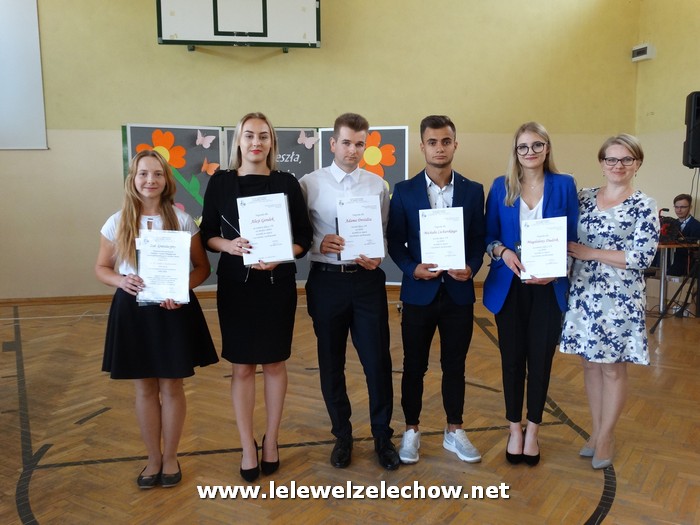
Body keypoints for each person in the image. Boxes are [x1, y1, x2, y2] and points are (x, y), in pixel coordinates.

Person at [199, 112, 312, 482]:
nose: (256, 142)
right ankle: (247, 445)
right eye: (249, 135)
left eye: (263, 136)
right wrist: (229, 246)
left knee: (275, 363)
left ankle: (271, 439)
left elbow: (304, 238)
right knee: (242, 367)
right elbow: (208, 234)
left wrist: (282, 255)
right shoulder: (221, 182)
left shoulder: (286, 182)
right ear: (239, 141)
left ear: (271, 142)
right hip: (236, 286)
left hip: (277, 286)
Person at [95, 150, 218, 489]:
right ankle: (152, 457)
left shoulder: (182, 220)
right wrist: (121, 280)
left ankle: (171, 456)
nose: (150, 180)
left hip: (172, 311)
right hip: (133, 311)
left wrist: (180, 288)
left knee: (172, 386)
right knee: (145, 388)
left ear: (166, 180)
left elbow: (202, 268)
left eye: (157, 174)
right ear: (132, 180)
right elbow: (101, 268)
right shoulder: (116, 221)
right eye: (143, 174)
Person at [299, 112, 399, 471]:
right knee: (331, 363)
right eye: (346, 142)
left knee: (377, 362)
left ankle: (382, 436)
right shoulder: (309, 184)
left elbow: (383, 233)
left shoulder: (377, 186)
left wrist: (378, 254)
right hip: (326, 281)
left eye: (359, 143)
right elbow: (299, 233)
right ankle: (342, 435)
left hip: (366, 282)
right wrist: (317, 243)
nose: (352, 150)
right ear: (333, 143)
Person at [387, 115, 486, 465]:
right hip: (419, 292)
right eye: (432, 142)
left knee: (455, 365)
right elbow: (394, 241)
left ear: (455, 144)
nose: (439, 148)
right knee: (413, 365)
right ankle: (411, 430)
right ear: (422, 146)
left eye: (445, 141)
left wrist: (472, 267)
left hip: (458, 292)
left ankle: (454, 429)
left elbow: (478, 239)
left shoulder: (473, 190)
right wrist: (410, 268)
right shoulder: (404, 190)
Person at [560, 134, 659, 469]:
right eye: (612, 159)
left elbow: (642, 257)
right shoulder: (584, 197)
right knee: (590, 364)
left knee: (612, 368)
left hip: (619, 299)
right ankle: (596, 429)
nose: (618, 165)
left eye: (626, 159)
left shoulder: (644, 204)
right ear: (601, 163)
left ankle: (607, 436)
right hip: (583, 293)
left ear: (637, 164)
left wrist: (590, 253)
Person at [483, 122, 578, 466]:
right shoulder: (501, 185)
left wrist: (558, 268)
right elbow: (488, 236)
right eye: (523, 146)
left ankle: (534, 430)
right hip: (510, 286)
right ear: (516, 151)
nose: (530, 152)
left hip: (548, 287)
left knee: (540, 361)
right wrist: (503, 252)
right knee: (511, 361)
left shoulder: (564, 184)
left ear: (547, 148)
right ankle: (514, 429)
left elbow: (572, 235)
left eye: (537, 145)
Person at [667, 193, 700, 276]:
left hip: (688, 270)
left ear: (690, 207)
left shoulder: (697, 226)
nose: (679, 210)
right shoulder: (670, 225)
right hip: (670, 268)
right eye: (676, 207)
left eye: (683, 207)